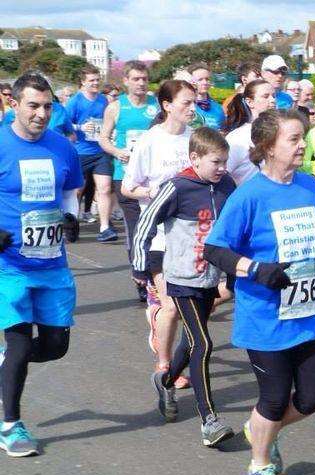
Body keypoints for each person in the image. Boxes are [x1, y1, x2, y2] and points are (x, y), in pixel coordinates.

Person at [204, 108, 315, 475]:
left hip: (306, 314)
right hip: (265, 317)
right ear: (267, 147)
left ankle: (259, 429)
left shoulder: (308, 185)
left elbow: (314, 226)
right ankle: (259, 467)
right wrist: (255, 269)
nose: (303, 145)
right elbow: (214, 248)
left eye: (303, 137)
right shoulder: (249, 195)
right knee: (273, 397)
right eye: (294, 139)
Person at [133, 127, 237, 445]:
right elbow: (146, 223)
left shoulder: (227, 185)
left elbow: (235, 227)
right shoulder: (177, 187)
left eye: (225, 162)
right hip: (180, 279)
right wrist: (140, 265)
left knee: (191, 342)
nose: (222, 168)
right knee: (203, 343)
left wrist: (233, 272)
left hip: (210, 277)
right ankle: (209, 420)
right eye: (216, 162)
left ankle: (164, 381)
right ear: (195, 158)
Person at [0, 73, 83, 456]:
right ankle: (11, 425)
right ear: (13, 104)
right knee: (18, 344)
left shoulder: (62, 147)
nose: (41, 113)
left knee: (55, 346)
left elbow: (69, 193)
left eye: (47, 106)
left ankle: (6, 367)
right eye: (33, 105)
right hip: (8, 264)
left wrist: (71, 218)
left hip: (51, 262)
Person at [122, 80, 195, 379]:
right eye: (186, 103)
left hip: (190, 236)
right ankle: (166, 367)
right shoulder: (151, 140)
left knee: (196, 306)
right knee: (172, 308)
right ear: (167, 106)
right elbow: (128, 188)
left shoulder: (195, 139)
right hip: (158, 236)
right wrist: (156, 193)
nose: (192, 108)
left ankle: (159, 315)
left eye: (195, 102)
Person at [99, 60, 160, 301]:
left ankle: (156, 276)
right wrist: (117, 151)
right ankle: (140, 276)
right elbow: (103, 138)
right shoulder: (116, 107)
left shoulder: (156, 106)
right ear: (125, 81)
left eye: (144, 79)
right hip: (124, 177)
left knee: (156, 229)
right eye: (135, 79)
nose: (141, 83)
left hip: (153, 177)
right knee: (136, 229)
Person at [66, 65, 115, 242]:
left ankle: (105, 228)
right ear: (83, 82)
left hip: (100, 150)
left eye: (97, 79)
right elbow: (64, 124)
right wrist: (80, 127)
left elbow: (110, 121)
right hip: (80, 151)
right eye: (91, 80)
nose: (95, 83)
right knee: (77, 191)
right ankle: (72, 224)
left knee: (105, 188)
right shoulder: (75, 101)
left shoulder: (103, 100)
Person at [223, 79, 277, 185]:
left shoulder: (280, 132)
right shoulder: (237, 138)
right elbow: (223, 173)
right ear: (249, 102)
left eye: (274, 96)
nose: (272, 100)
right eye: (265, 96)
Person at [187, 63, 225, 130]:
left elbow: (223, 130)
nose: (205, 82)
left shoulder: (218, 108)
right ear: (191, 82)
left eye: (207, 79)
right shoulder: (185, 107)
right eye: (200, 79)